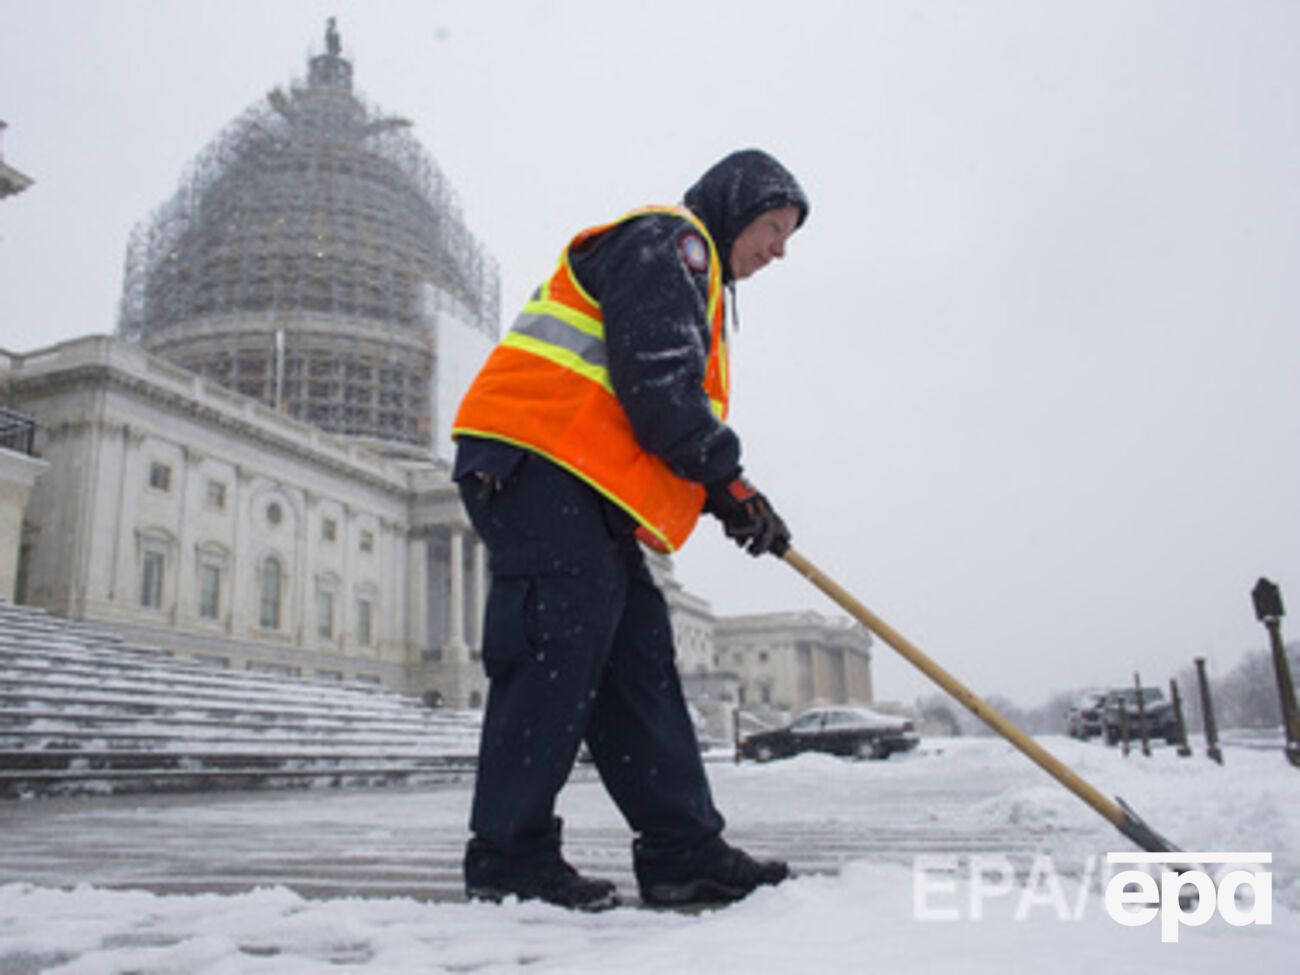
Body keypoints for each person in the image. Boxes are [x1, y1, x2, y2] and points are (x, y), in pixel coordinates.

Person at [450, 148, 809, 910]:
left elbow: (662, 408)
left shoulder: (697, 277)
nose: (778, 249)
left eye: (788, 238)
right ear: (737, 207)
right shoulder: (667, 242)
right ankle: (509, 858)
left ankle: (685, 852)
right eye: (774, 226)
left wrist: (728, 494)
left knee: (637, 661)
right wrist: (729, 482)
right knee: (557, 651)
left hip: (583, 485)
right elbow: (658, 387)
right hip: (533, 462)